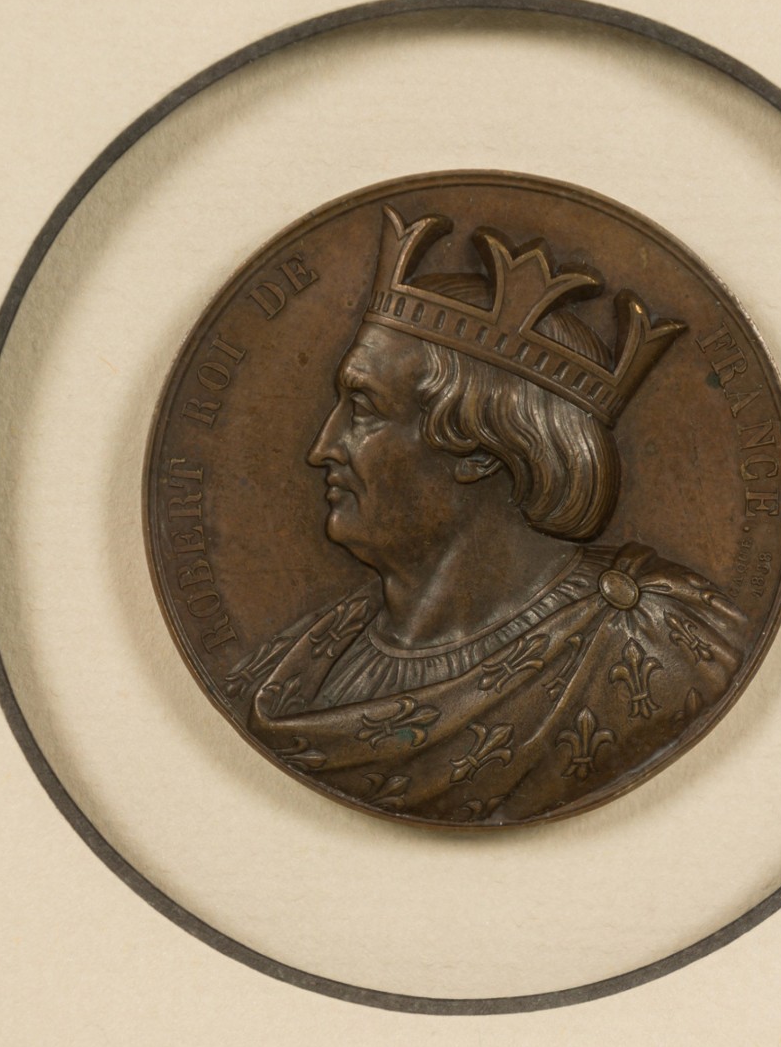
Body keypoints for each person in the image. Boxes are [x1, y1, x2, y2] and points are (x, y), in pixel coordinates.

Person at [226, 204, 747, 824]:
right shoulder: (289, 668)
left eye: (363, 409)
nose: (322, 448)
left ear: (478, 447)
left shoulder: (659, 649)